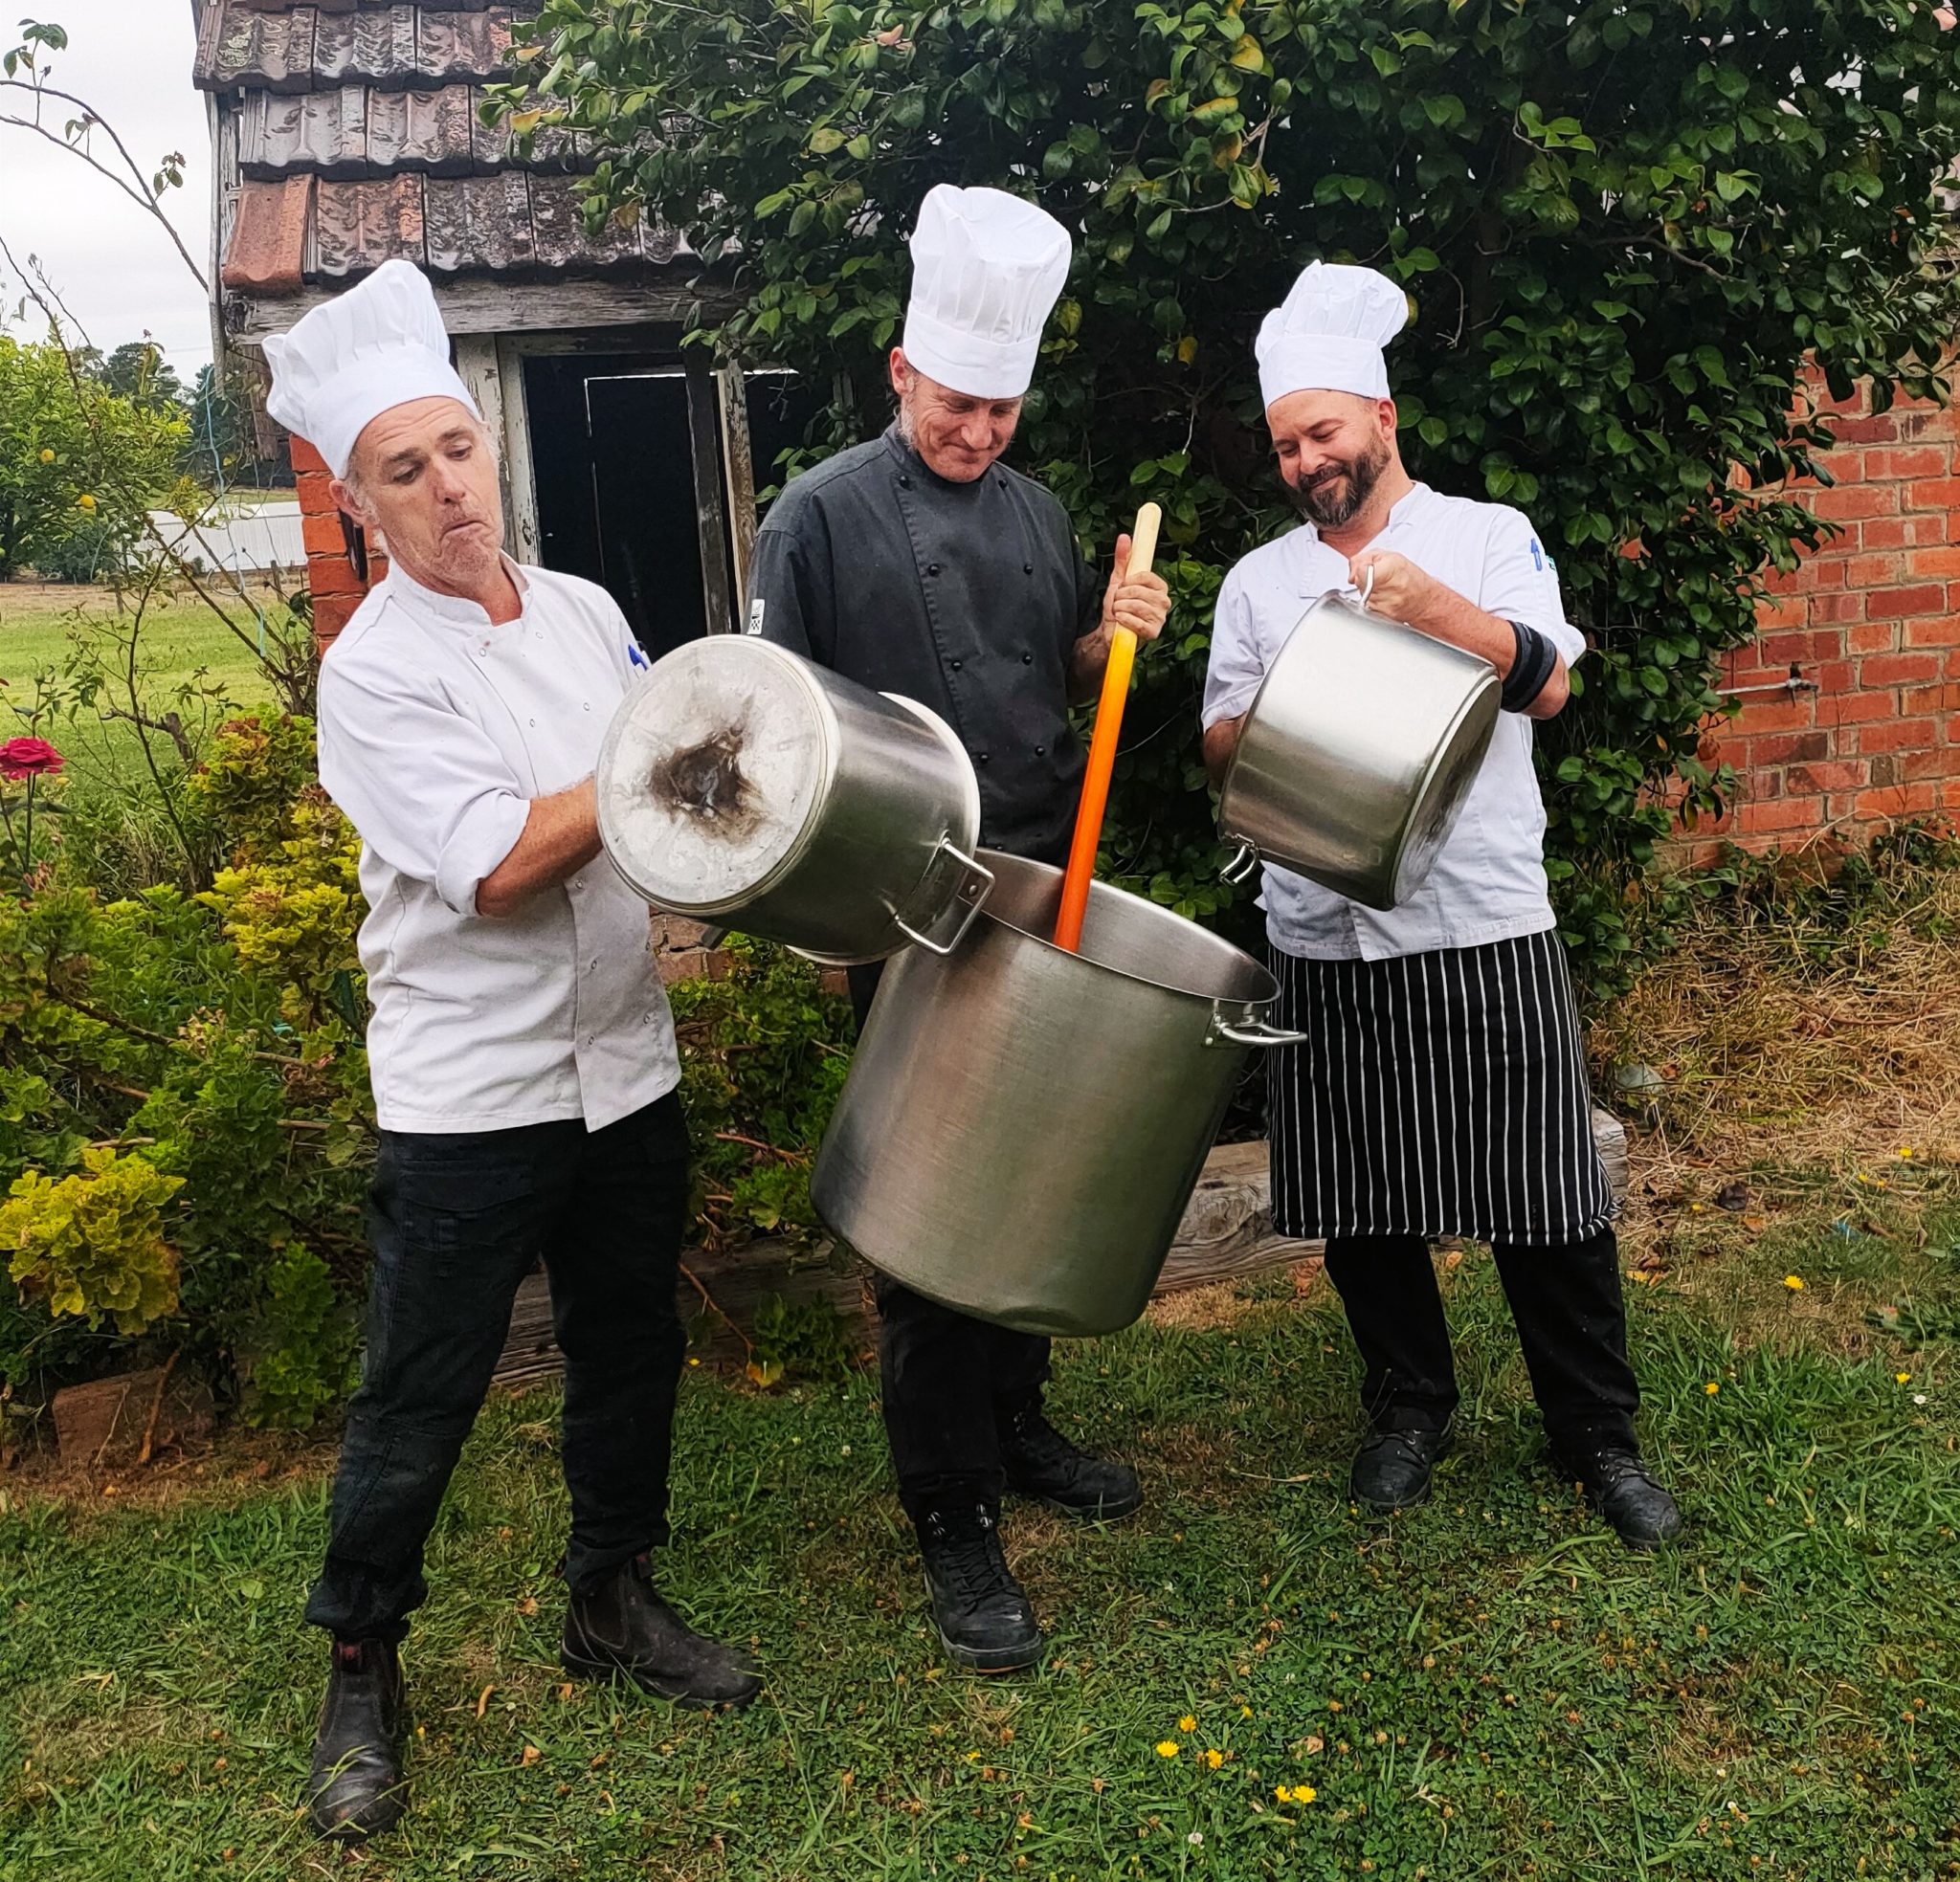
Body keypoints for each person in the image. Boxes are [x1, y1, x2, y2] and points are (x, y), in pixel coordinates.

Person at [264, 259, 760, 1844]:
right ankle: (361, 1666)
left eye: (456, 451)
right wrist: (654, 765)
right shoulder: (373, 673)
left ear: (486, 444)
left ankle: (610, 1596)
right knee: (423, 1392)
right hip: (471, 1096)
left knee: (631, 1351)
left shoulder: (589, 615)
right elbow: (492, 866)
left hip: (625, 1064)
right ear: (362, 502)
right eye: (403, 472)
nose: (446, 488)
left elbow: (670, 823)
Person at [746, 185, 1172, 1671]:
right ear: (900, 373)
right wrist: (811, 912)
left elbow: (1049, 676)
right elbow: (770, 724)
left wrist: (1112, 636)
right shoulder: (815, 515)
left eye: (1001, 407)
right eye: (956, 402)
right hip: (908, 902)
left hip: (1046, 885)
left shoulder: (1046, 512)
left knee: (1033, 1177)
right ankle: (950, 1511)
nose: (978, 431)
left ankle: (1022, 1428)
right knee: (934, 1223)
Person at [1200, 261, 1682, 1550]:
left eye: (1326, 433)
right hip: (1320, 921)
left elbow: (1548, 686)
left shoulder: (1485, 535)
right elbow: (1220, 742)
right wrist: (1286, 701)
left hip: (1480, 913)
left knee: (1547, 1196)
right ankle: (1410, 1409)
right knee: (1363, 1197)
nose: (1308, 462)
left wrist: (1435, 613)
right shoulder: (1256, 582)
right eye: (1288, 444)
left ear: (1382, 418)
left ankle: (1598, 1442)